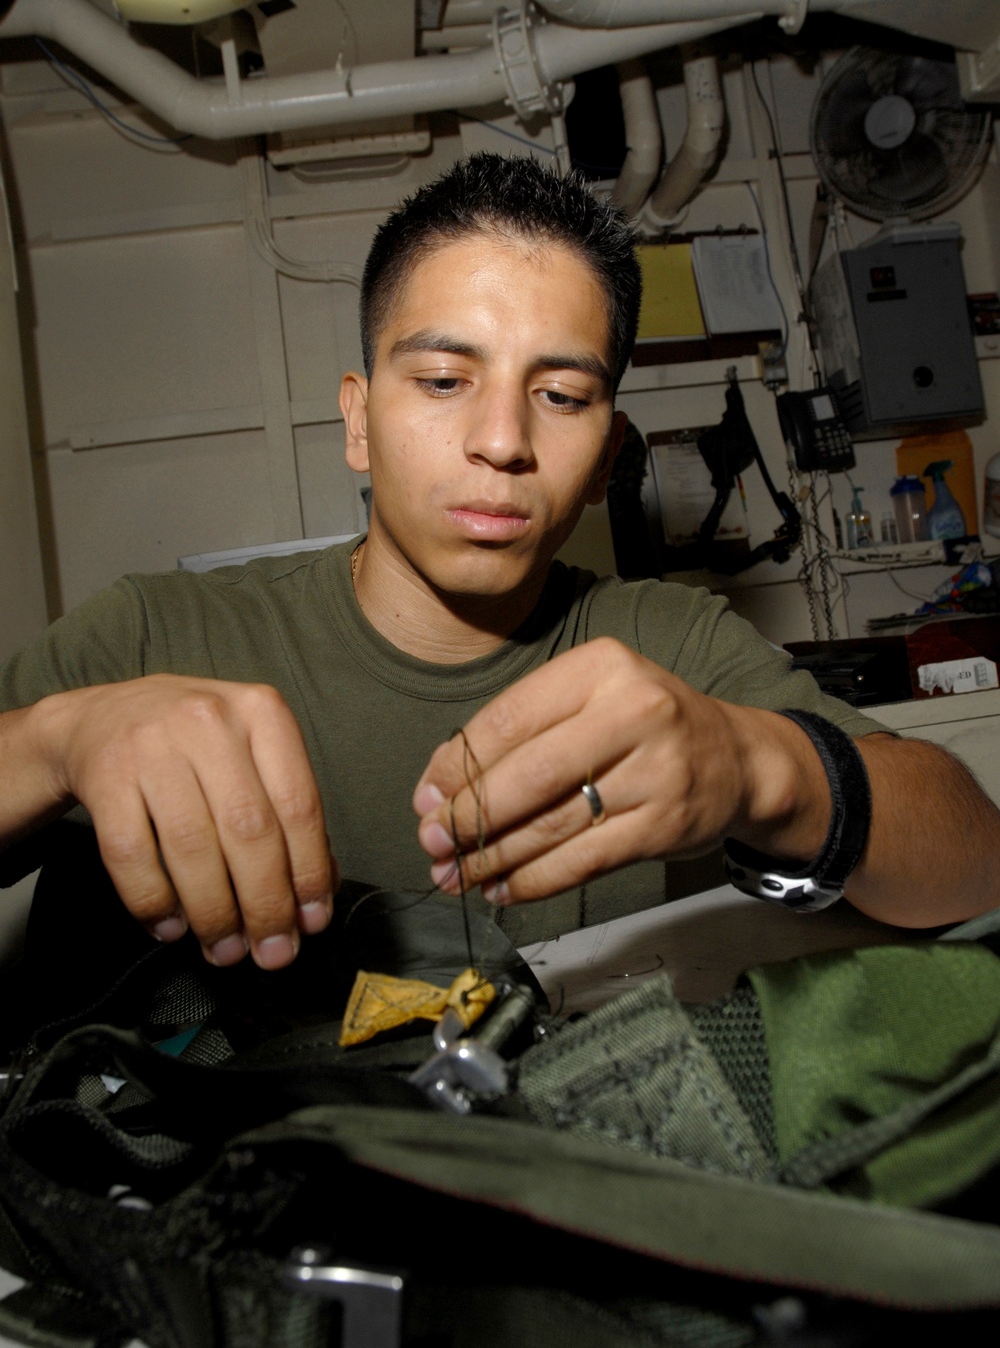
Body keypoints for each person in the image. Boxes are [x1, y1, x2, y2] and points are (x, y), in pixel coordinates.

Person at [1, 153, 998, 972]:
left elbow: (975, 863)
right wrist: (56, 743)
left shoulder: (669, 648)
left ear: (609, 457)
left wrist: (761, 770)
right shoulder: (153, 636)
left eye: (560, 395)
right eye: (443, 379)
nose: (500, 439)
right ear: (357, 420)